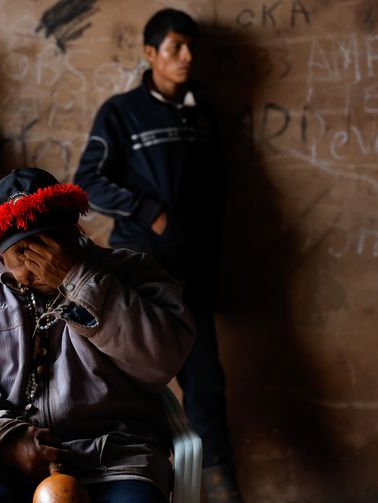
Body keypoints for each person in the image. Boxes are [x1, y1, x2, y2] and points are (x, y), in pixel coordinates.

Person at [0, 167, 195, 503]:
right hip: (1, 459)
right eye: (22, 253)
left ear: (75, 232)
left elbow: (163, 358)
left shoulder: (132, 272)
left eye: (48, 246)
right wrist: (4, 438)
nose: (38, 266)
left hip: (116, 458)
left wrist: (79, 282)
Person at [73, 8, 243, 502]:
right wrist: (150, 212)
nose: (187, 57)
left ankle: (222, 489)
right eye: (175, 48)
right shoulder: (121, 111)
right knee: (133, 387)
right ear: (150, 54)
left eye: (191, 47)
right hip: (142, 272)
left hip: (195, 274)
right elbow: (87, 180)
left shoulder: (201, 112)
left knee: (207, 389)